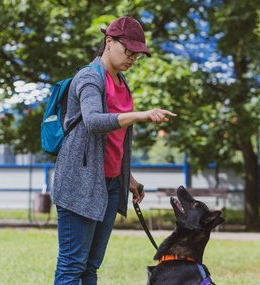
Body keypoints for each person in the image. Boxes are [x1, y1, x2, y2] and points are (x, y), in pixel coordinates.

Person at [51, 16, 176, 285]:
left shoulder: (121, 82)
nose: (132, 58)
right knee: (72, 265)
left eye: (137, 54)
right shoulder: (88, 77)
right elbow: (94, 121)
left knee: (91, 267)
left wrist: (127, 177)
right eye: (128, 51)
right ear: (109, 41)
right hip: (80, 182)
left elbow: (114, 142)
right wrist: (140, 115)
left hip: (110, 184)